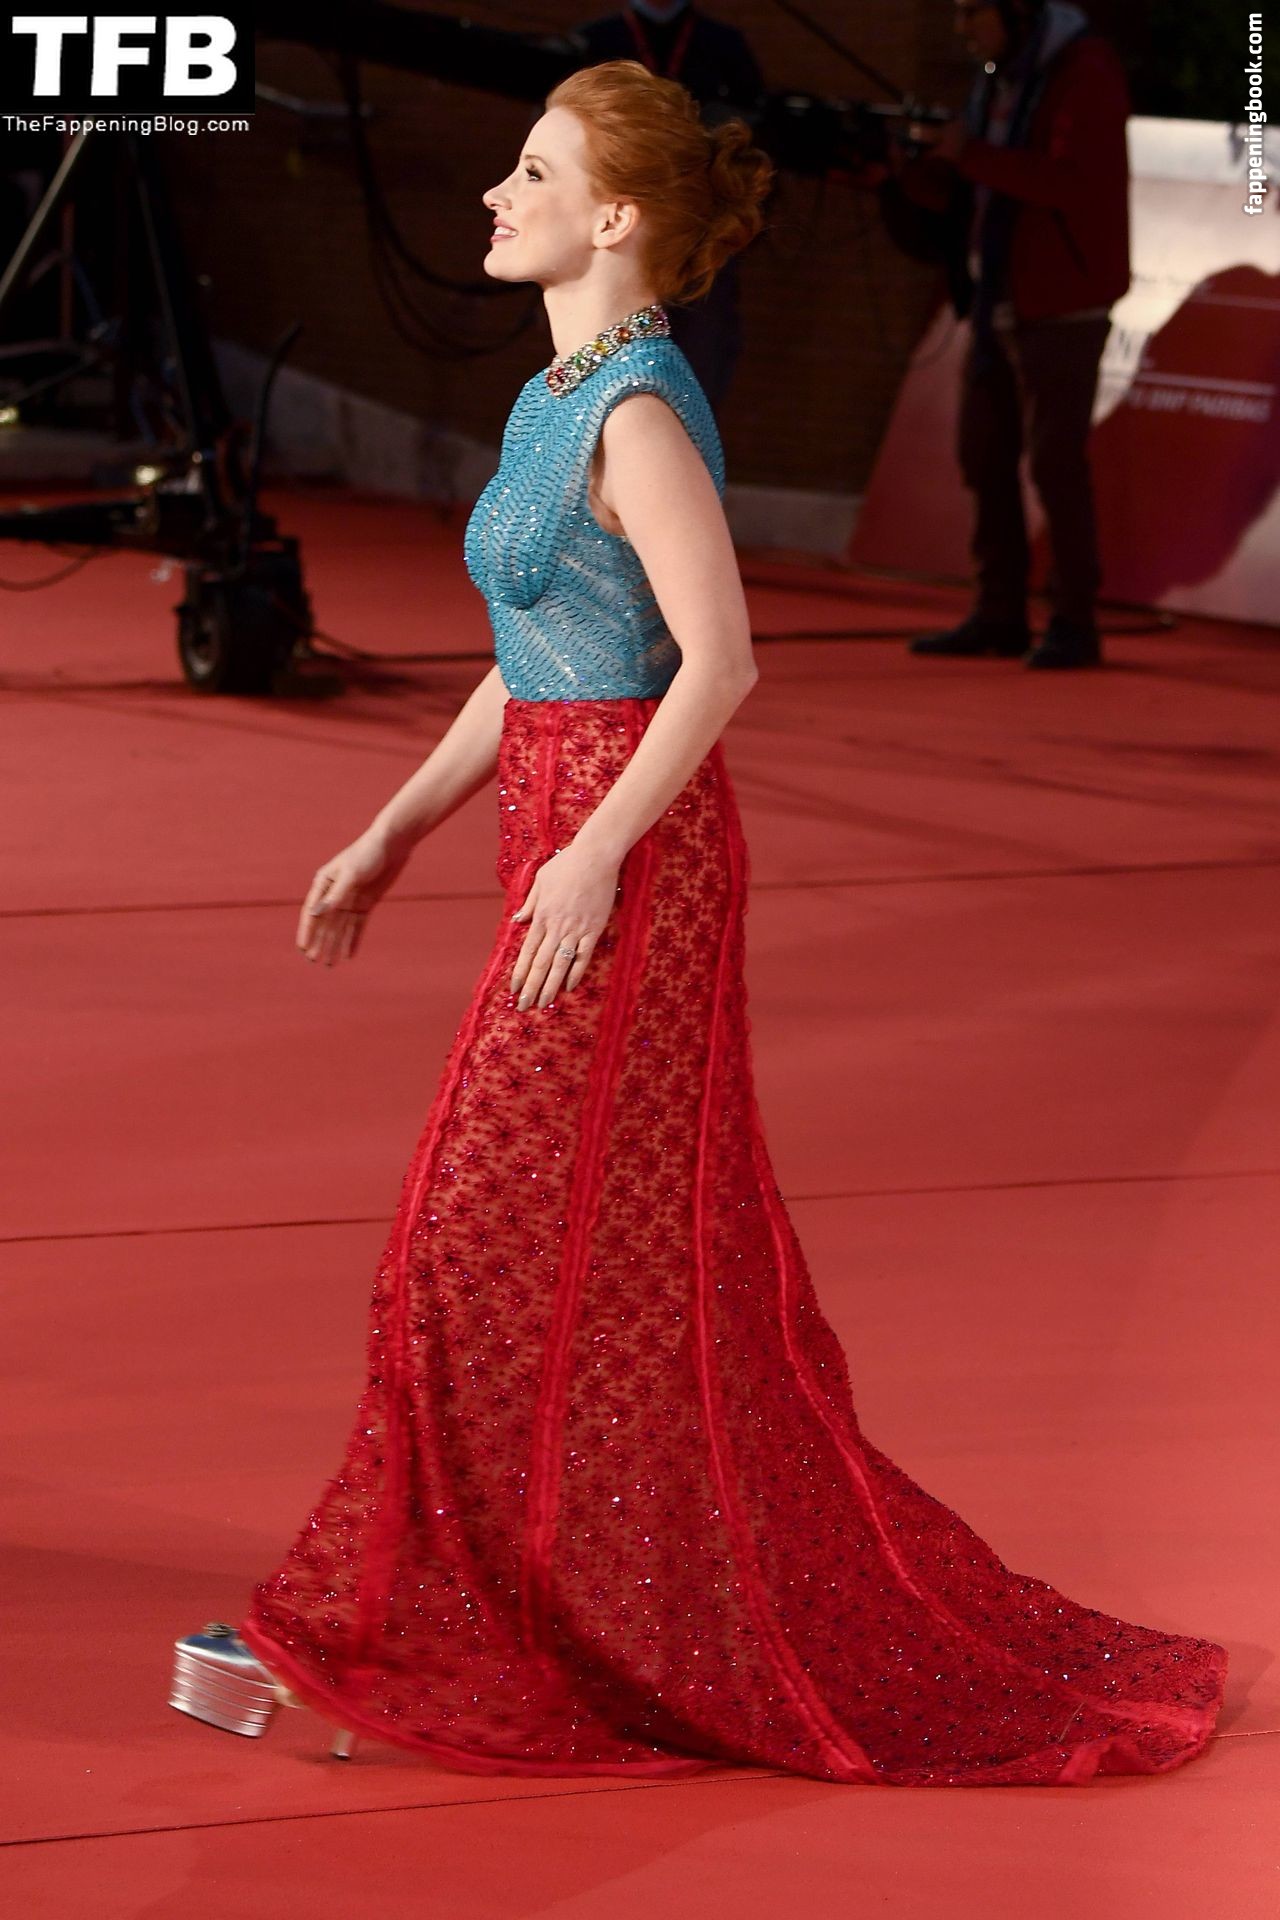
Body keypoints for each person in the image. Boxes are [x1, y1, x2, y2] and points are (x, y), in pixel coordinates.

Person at [171, 59, 1227, 1785]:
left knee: (465, 1245)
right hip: (555, 837)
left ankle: (385, 1626)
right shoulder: (551, 397)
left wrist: (596, 853)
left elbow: (722, 663)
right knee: (588, 1267)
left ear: (616, 217)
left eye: (533, 172)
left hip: (629, 864)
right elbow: (526, 662)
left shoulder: (637, 416)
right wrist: (390, 831)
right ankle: (502, 1609)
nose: (496, 195)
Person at [881, 0, 1131, 669]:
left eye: (972, 11)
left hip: (1062, 301)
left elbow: (1073, 184)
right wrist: (909, 168)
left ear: (1016, 10)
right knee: (983, 455)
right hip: (996, 293)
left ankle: (1074, 622)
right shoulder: (997, 75)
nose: (960, 27)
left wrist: (970, 154)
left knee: (1054, 463)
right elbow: (971, 188)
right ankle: (1000, 613)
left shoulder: (1084, 69)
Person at [570, 2, 766, 411]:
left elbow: (751, 139)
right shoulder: (595, 41)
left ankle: (683, 440)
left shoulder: (723, 44)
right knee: (599, 346)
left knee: (700, 351)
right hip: (610, 228)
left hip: (698, 227)